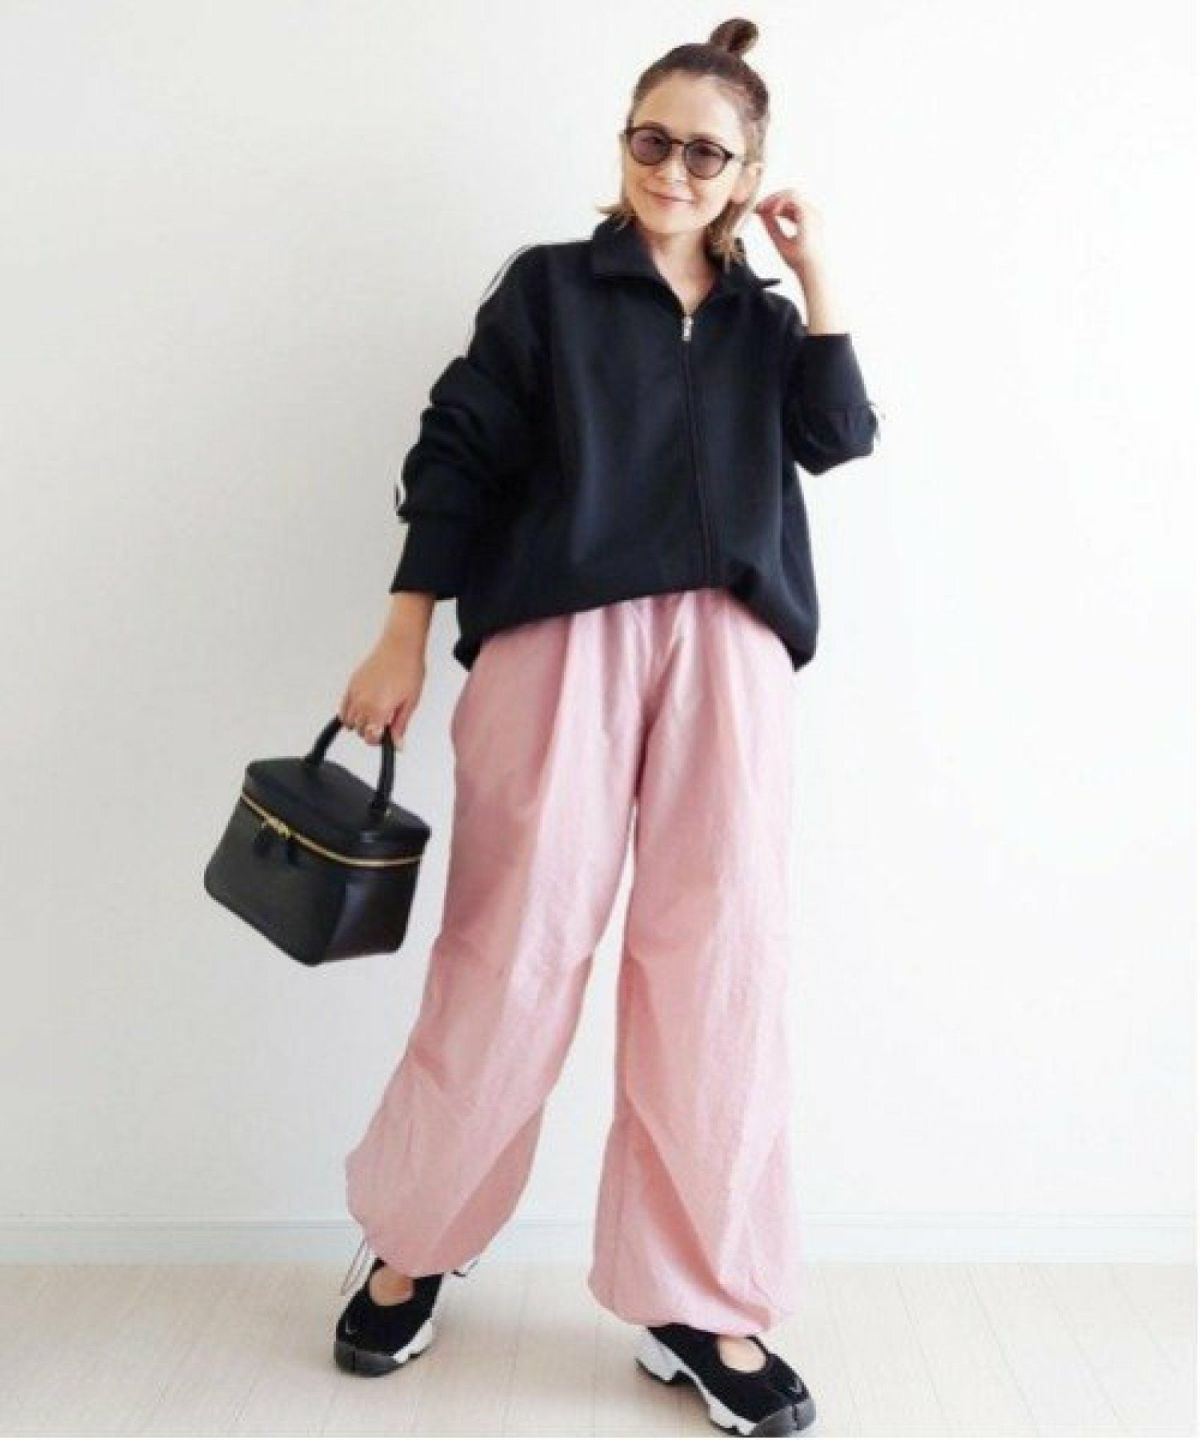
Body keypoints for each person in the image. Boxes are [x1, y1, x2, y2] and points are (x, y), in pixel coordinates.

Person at [331, 17, 880, 1435]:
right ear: (623, 142)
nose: (674, 169)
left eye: (707, 152)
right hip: (557, 639)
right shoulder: (550, 292)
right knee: (510, 949)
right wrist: (403, 629)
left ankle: (697, 1298)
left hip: (732, 653)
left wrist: (816, 271)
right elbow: (457, 450)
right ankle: (414, 1240)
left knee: (717, 971)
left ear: (747, 169)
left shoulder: (765, 324)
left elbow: (839, 436)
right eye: (654, 140)